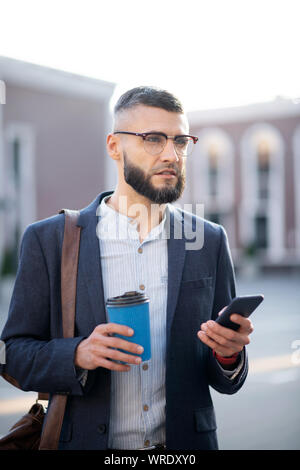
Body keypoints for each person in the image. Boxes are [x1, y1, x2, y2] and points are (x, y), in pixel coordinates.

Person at [0, 86, 253, 450]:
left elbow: (225, 377)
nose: (172, 154)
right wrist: (77, 354)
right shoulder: (48, 240)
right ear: (114, 146)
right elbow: (14, 354)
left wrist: (228, 353)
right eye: (153, 139)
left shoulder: (208, 239)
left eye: (181, 142)